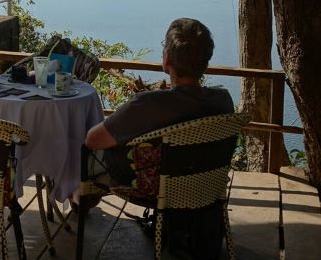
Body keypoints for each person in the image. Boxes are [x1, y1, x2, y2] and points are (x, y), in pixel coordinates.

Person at [84, 18, 234, 259]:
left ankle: (77, 200)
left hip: (153, 190)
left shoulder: (148, 104)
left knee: (86, 154)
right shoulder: (222, 100)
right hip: (204, 186)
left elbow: (93, 140)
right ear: (206, 62)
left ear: (166, 60)